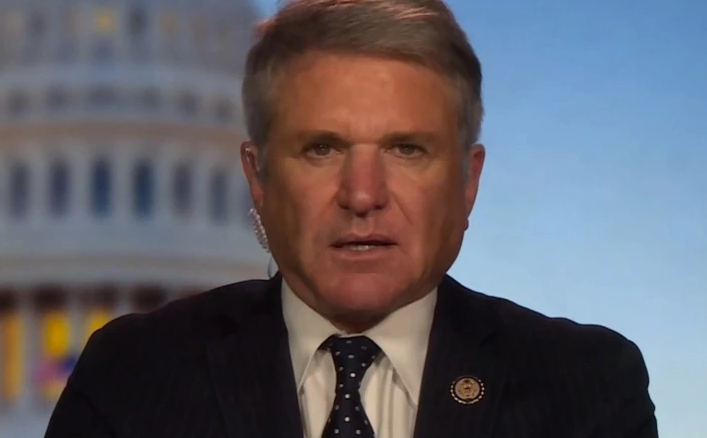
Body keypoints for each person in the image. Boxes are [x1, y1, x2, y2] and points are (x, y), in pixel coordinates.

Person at [44, 0, 659, 437]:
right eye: (322, 149)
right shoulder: (135, 377)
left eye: (406, 149)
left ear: (468, 182)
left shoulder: (585, 389)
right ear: (258, 177)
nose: (363, 195)